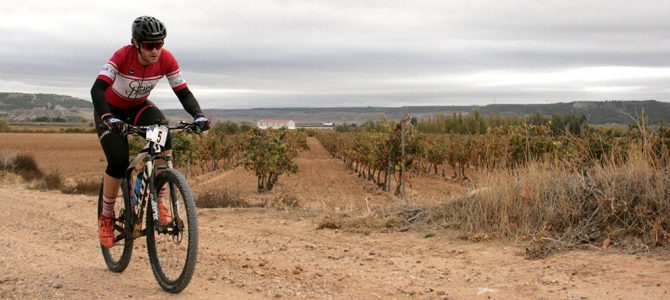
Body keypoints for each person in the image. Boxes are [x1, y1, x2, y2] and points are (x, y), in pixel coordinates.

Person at [91, 16, 210, 248]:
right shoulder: (121, 56)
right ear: (136, 43)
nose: (156, 50)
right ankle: (106, 218)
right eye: (149, 46)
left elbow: (183, 92)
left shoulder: (166, 59)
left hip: (138, 108)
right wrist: (107, 117)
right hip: (111, 110)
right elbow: (97, 89)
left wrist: (199, 115)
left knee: (163, 131)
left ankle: (161, 200)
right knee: (117, 162)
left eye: (160, 44)